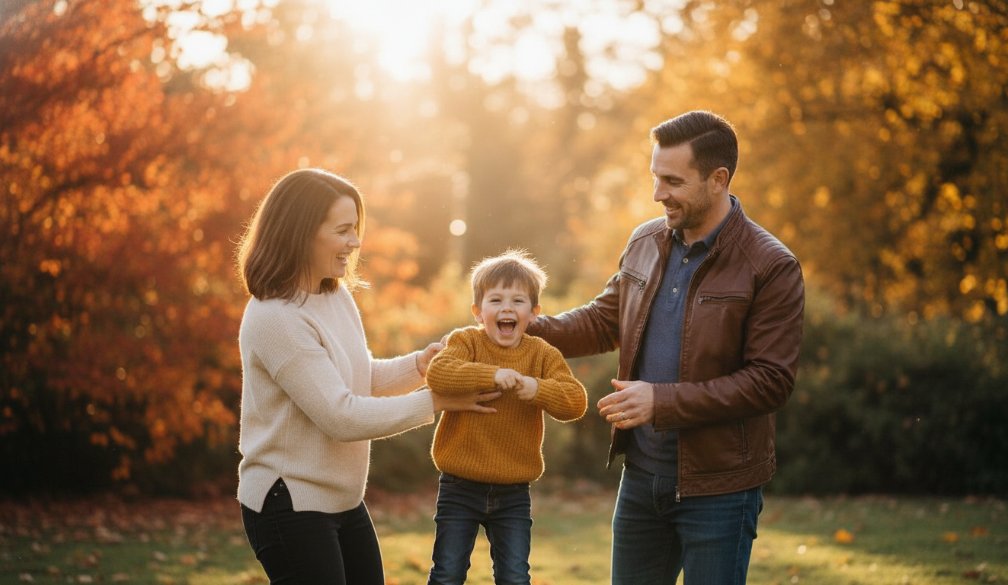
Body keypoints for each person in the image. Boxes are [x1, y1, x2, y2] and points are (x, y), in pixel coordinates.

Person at [527, 110, 805, 584]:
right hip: (640, 479)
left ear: (718, 179)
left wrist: (661, 401)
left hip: (720, 488)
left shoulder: (770, 266)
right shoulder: (646, 240)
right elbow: (604, 320)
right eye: (656, 177)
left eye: (672, 181)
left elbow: (770, 382)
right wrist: (527, 328)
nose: (658, 194)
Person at [234, 168, 500, 585]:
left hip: (342, 500)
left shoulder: (334, 295)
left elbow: (357, 377)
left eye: (355, 229)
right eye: (343, 230)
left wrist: (419, 366)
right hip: (290, 504)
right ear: (301, 232)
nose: (355, 243)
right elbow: (340, 416)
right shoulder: (275, 318)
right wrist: (435, 400)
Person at [425, 249, 588, 585]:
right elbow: (439, 373)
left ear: (534, 312)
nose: (506, 309)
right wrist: (491, 374)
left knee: (514, 576)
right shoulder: (465, 341)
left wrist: (538, 388)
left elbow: (575, 401)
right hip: (460, 486)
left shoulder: (542, 355)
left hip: (513, 491)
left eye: (518, 301)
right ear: (478, 311)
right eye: (495, 300)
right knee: (447, 572)